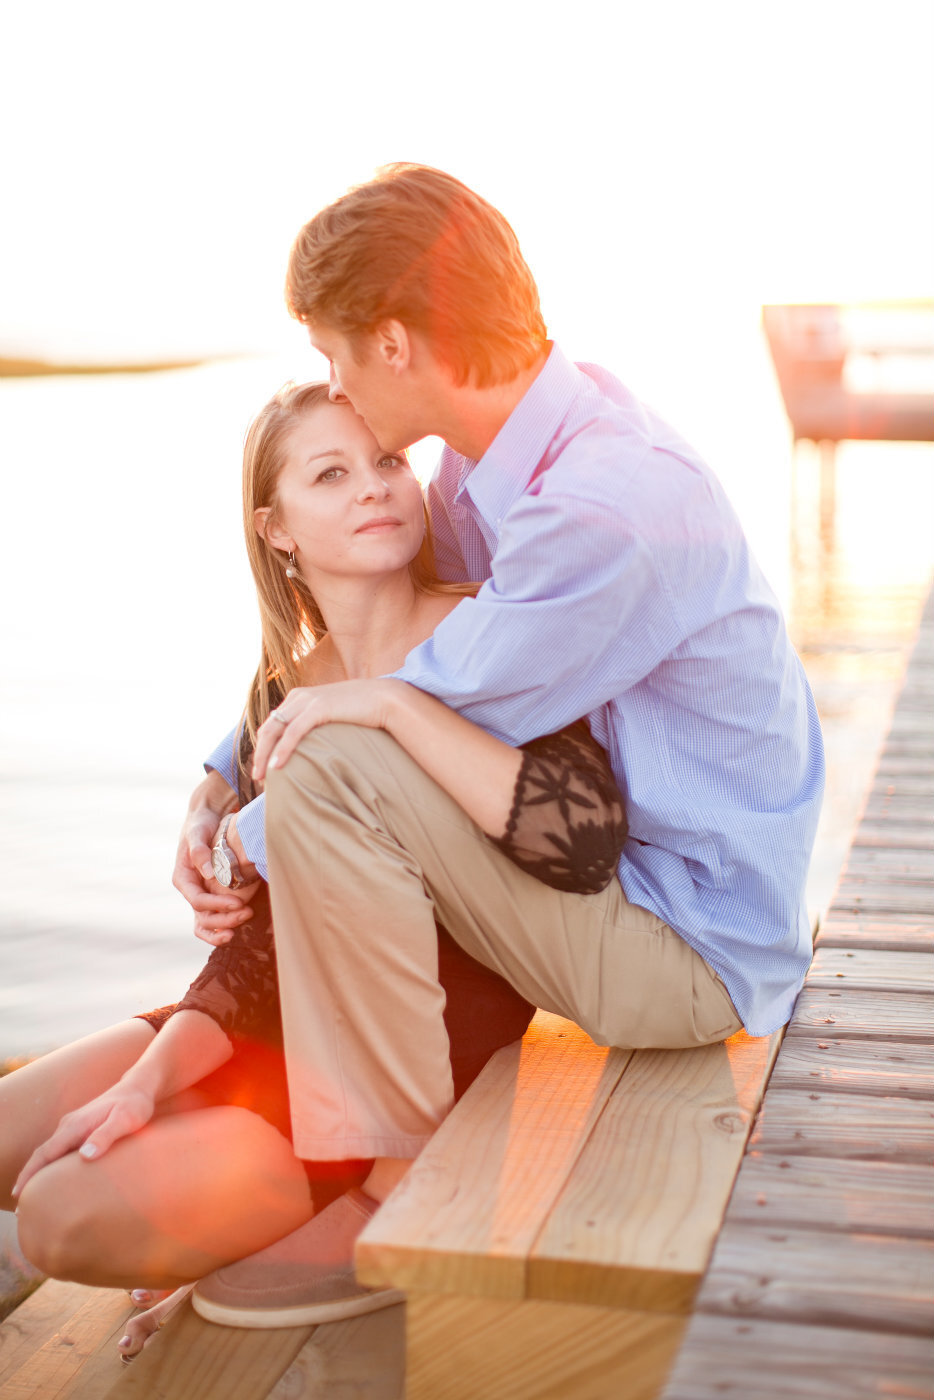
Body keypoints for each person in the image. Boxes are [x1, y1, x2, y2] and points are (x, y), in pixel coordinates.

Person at [162, 163, 823, 1328]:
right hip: (629, 887)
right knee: (327, 750)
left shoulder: (601, 506)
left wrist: (243, 841)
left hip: (689, 948)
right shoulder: (510, 446)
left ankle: (390, 1185)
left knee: (330, 773)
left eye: (335, 358)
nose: (336, 388)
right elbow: (389, 662)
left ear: (400, 344)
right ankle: (341, 1128)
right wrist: (217, 775)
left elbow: (425, 698)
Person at [4, 381, 627, 1352]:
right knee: (13, 1133)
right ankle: (202, 1207)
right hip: (261, 1021)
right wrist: (151, 1078)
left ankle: (290, 1218)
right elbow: (252, 957)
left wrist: (156, 1107)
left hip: (399, 1071)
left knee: (57, 1214)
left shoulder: (489, 639)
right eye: (330, 473)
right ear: (276, 526)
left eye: (385, 460)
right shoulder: (285, 688)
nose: (374, 487)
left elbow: (577, 838)